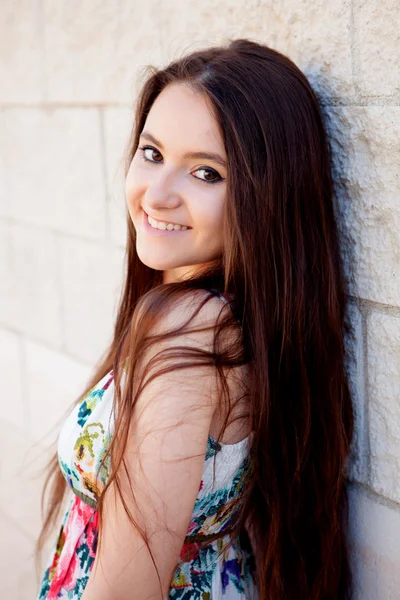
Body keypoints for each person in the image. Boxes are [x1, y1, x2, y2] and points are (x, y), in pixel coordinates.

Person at [35, 38, 354, 600]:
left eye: (206, 173)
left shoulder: (190, 328)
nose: (156, 195)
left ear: (267, 198)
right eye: (152, 153)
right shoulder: (240, 321)